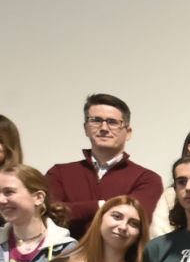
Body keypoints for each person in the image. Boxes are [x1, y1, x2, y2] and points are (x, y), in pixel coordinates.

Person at [44, 94, 162, 240]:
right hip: (66, 259)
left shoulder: (147, 179)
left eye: (112, 122)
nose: (104, 128)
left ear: (128, 132)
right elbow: (51, 215)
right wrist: (103, 206)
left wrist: (77, 210)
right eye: (96, 120)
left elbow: (132, 220)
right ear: (86, 128)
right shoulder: (59, 173)